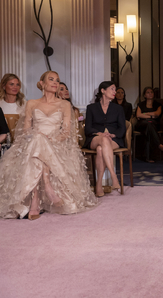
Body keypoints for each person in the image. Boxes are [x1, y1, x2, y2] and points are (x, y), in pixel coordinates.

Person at [0, 71, 98, 219]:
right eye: (51, 79)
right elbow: (26, 129)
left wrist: (50, 140)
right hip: (34, 141)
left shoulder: (64, 104)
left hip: (56, 143)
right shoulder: (32, 103)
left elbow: (66, 132)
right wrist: (38, 137)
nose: (55, 83)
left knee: (40, 143)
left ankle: (36, 200)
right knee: (38, 140)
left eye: (57, 80)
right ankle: (47, 187)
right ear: (42, 84)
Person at [84, 81, 126, 197]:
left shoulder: (118, 108)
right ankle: (114, 176)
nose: (115, 92)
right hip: (95, 138)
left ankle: (98, 185)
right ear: (103, 90)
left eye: (115, 89)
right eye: (112, 89)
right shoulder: (91, 108)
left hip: (114, 140)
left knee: (100, 150)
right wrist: (99, 133)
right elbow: (88, 128)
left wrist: (113, 135)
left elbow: (122, 128)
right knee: (103, 140)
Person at [135, 86, 163, 162]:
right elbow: (138, 115)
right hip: (142, 124)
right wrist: (151, 115)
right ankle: (159, 145)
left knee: (149, 128)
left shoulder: (158, 105)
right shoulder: (141, 104)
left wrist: (145, 114)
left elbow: (157, 114)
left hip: (153, 124)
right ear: (144, 95)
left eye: (151, 92)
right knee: (149, 125)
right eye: (148, 92)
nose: (150, 94)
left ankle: (148, 157)